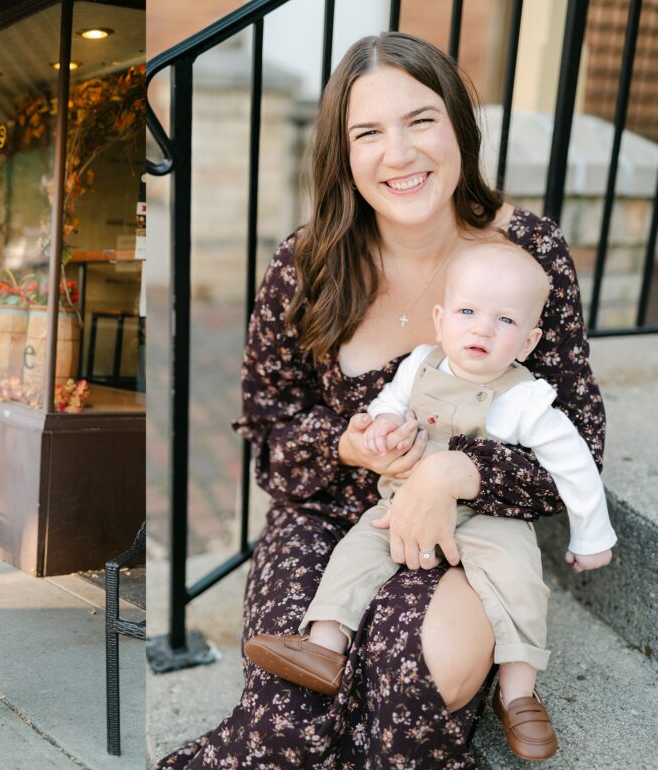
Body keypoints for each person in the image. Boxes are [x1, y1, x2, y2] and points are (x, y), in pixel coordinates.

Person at [158, 32, 604, 769]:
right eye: (368, 132)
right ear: (343, 151)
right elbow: (266, 424)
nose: (398, 154)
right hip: (330, 511)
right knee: (289, 716)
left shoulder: (528, 254)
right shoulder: (307, 264)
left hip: (471, 532)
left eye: (420, 120)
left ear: (459, 123)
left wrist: (455, 472)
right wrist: (343, 444)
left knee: (404, 688)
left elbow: (577, 445)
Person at [244, 242, 616, 761]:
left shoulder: (525, 398)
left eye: (503, 319)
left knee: (518, 578)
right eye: (467, 312)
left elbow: (573, 463)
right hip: (401, 500)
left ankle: (519, 691)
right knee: (356, 551)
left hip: (490, 516)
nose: (481, 329)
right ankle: (324, 644)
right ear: (440, 319)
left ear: (529, 341)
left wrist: (592, 534)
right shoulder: (419, 364)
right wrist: (376, 431)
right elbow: (387, 407)